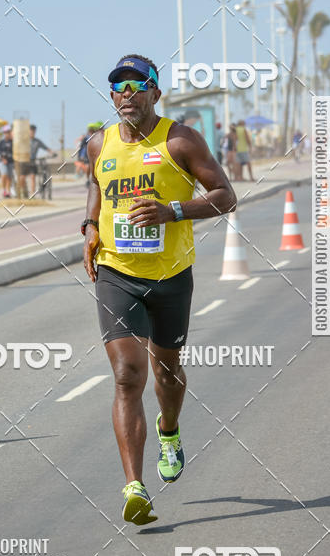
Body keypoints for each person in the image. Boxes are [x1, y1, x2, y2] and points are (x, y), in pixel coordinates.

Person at [82, 54, 236, 525]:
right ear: (112, 96)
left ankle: (169, 429)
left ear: (155, 92)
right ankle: (135, 487)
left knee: (166, 373)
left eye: (137, 85)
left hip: (171, 276)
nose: (127, 93)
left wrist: (173, 211)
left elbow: (225, 196)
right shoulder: (99, 142)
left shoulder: (180, 140)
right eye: (118, 86)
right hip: (116, 272)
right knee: (128, 374)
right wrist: (90, 226)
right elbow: (96, 183)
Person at [20, 125, 54, 197]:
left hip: (32, 161)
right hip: (24, 161)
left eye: (33, 132)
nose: (32, 133)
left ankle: (32, 194)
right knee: (22, 178)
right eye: (31, 131)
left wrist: (52, 152)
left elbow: (45, 148)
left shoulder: (37, 141)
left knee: (33, 177)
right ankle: (24, 191)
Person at [0, 125, 14, 198]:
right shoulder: (2, 142)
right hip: (2, 161)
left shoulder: (12, 141)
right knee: (4, 175)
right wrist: (3, 159)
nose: (7, 133)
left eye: (8, 132)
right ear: (4, 133)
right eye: (6, 132)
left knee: (9, 177)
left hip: (10, 161)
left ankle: (8, 191)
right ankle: (4, 190)